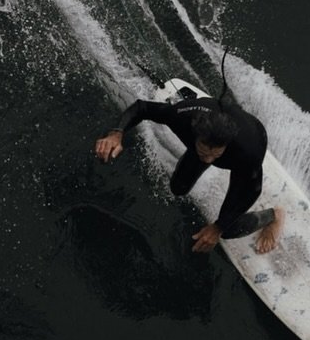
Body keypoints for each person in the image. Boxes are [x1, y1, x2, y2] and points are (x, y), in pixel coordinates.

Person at [94, 90, 285, 254]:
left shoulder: (247, 152)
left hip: (249, 140)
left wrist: (217, 227)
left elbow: (252, 191)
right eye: (204, 152)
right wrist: (116, 133)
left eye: (215, 155)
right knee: (178, 188)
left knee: (227, 229)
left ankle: (274, 215)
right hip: (207, 121)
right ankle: (210, 141)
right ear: (195, 135)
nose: (209, 160)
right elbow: (142, 108)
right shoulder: (181, 118)